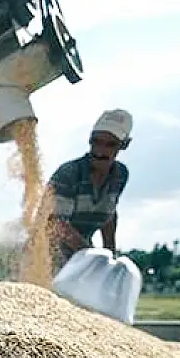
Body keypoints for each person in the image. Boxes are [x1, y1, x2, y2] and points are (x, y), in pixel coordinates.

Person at [45, 109, 133, 273]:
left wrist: (110, 255)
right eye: (96, 142)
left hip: (80, 255)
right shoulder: (69, 174)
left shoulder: (120, 175)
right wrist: (91, 256)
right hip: (46, 254)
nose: (100, 151)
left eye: (110, 145)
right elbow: (55, 223)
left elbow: (109, 213)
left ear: (124, 144)